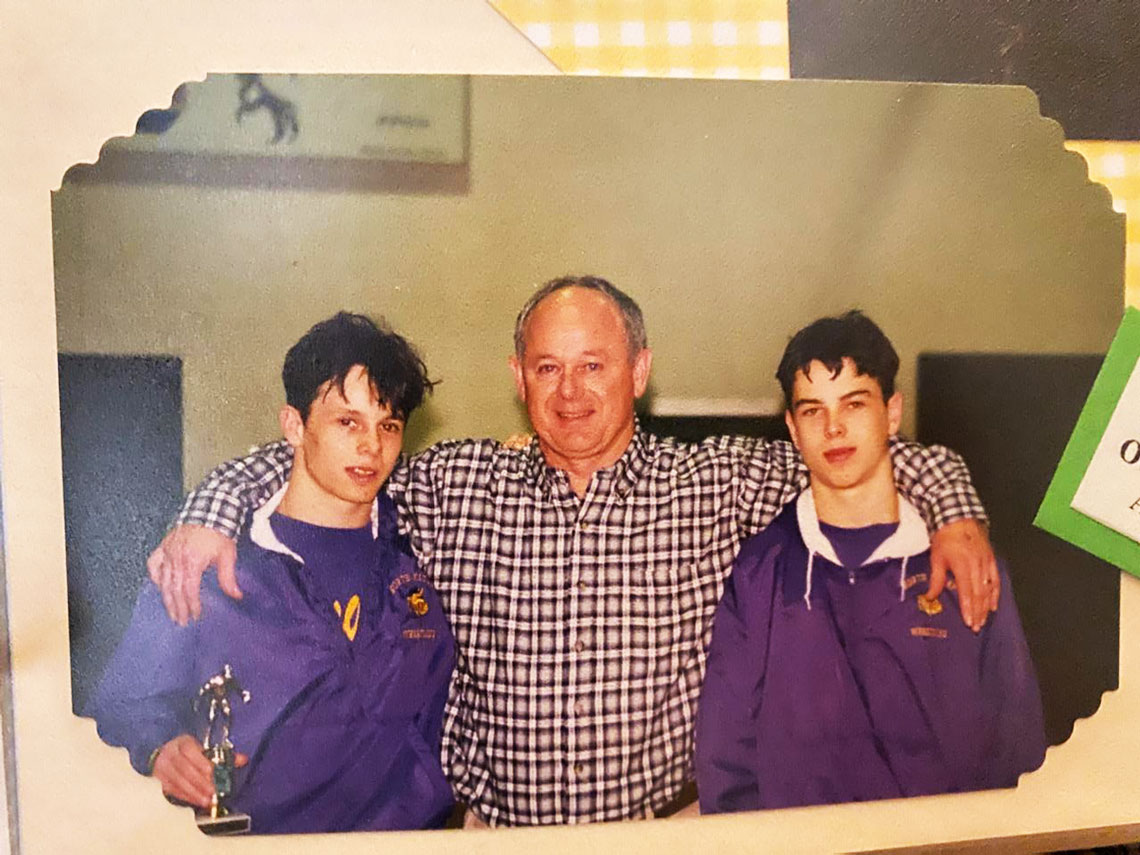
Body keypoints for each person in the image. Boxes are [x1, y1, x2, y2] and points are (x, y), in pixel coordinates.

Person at [146, 276, 999, 826]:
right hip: (492, 837)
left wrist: (955, 509)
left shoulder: (718, 482)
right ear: (518, 377)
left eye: (594, 365)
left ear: (639, 369)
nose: (572, 391)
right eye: (548, 367)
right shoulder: (455, 485)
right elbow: (325, 460)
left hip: (670, 831)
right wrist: (211, 511)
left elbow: (855, 449)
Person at [88, 312, 455, 833]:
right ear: (294, 425)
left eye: (388, 425)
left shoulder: (418, 556)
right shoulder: (205, 564)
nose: (371, 447)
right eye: (347, 422)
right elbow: (123, 703)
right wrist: (159, 749)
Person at [695, 311, 1045, 813]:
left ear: (892, 412)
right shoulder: (757, 573)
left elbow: (1017, 752)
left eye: (854, 404)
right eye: (813, 411)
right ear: (793, 429)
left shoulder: (964, 566)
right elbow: (725, 764)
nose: (834, 428)